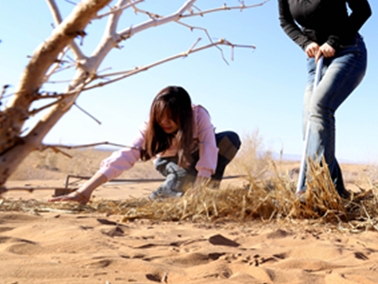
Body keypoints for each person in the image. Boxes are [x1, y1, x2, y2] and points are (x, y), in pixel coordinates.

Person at [268, 0, 372, 197]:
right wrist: (305, 43)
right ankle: (335, 191)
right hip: (315, 61)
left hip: (348, 52)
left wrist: (333, 41)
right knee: (309, 124)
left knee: (320, 107)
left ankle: (311, 190)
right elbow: (284, 21)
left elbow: (363, 10)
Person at [49, 86, 241, 204]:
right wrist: (84, 191)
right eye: (160, 117)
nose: (164, 122)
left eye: (171, 117)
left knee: (229, 139)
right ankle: (153, 202)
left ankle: (208, 194)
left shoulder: (198, 115)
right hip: (168, 161)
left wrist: (199, 193)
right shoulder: (149, 127)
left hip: (195, 156)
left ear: (183, 115)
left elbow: (208, 151)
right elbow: (126, 156)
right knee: (182, 176)